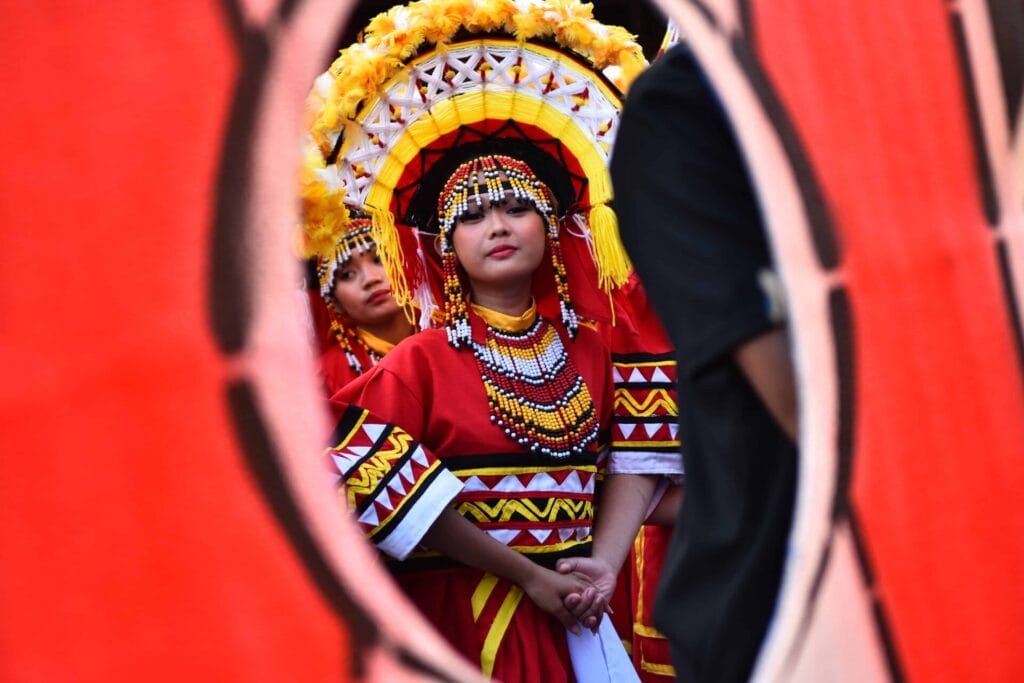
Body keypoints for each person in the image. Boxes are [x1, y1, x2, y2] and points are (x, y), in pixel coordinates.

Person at [608, 43, 799, 683]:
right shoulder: (685, 104)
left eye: (514, 206)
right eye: (477, 214)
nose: (500, 227)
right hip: (776, 580)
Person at [312, 213, 416, 395]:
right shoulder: (326, 380)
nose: (370, 279)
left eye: (380, 259)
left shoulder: (452, 331)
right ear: (334, 302)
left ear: (406, 263)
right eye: (347, 275)